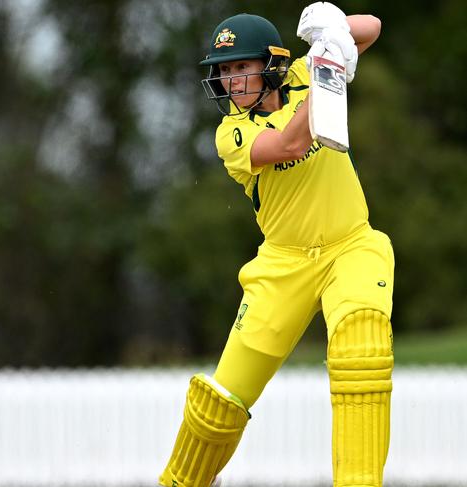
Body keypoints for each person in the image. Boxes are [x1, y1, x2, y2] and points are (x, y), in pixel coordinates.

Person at [158, 3, 393, 487]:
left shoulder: (307, 72)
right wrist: (333, 72)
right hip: (283, 265)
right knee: (219, 403)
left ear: (271, 63)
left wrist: (334, 36)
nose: (230, 81)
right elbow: (288, 143)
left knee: (361, 346)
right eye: (223, 71)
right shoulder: (232, 133)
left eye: (240, 66)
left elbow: (372, 28)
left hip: (352, 246)